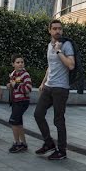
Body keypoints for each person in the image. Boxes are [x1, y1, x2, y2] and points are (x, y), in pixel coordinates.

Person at [34, 19, 75, 160]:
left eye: (60, 28)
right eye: (55, 28)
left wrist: (59, 51)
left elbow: (71, 65)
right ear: (50, 30)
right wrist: (43, 82)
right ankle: (49, 143)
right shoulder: (49, 45)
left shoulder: (66, 45)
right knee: (38, 114)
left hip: (61, 89)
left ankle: (62, 151)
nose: (58, 31)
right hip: (49, 87)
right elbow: (50, 66)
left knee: (58, 120)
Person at [7, 56, 33, 153]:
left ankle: (17, 143)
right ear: (13, 64)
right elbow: (16, 86)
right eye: (18, 62)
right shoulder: (14, 74)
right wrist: (11, 85)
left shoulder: (25, 75)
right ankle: (24, 143)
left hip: (22, 102)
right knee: (19, 123)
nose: (20, 64)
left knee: (13, 121)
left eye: (22, 62)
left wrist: (15, 85)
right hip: (15, 101)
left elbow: (28, 89)